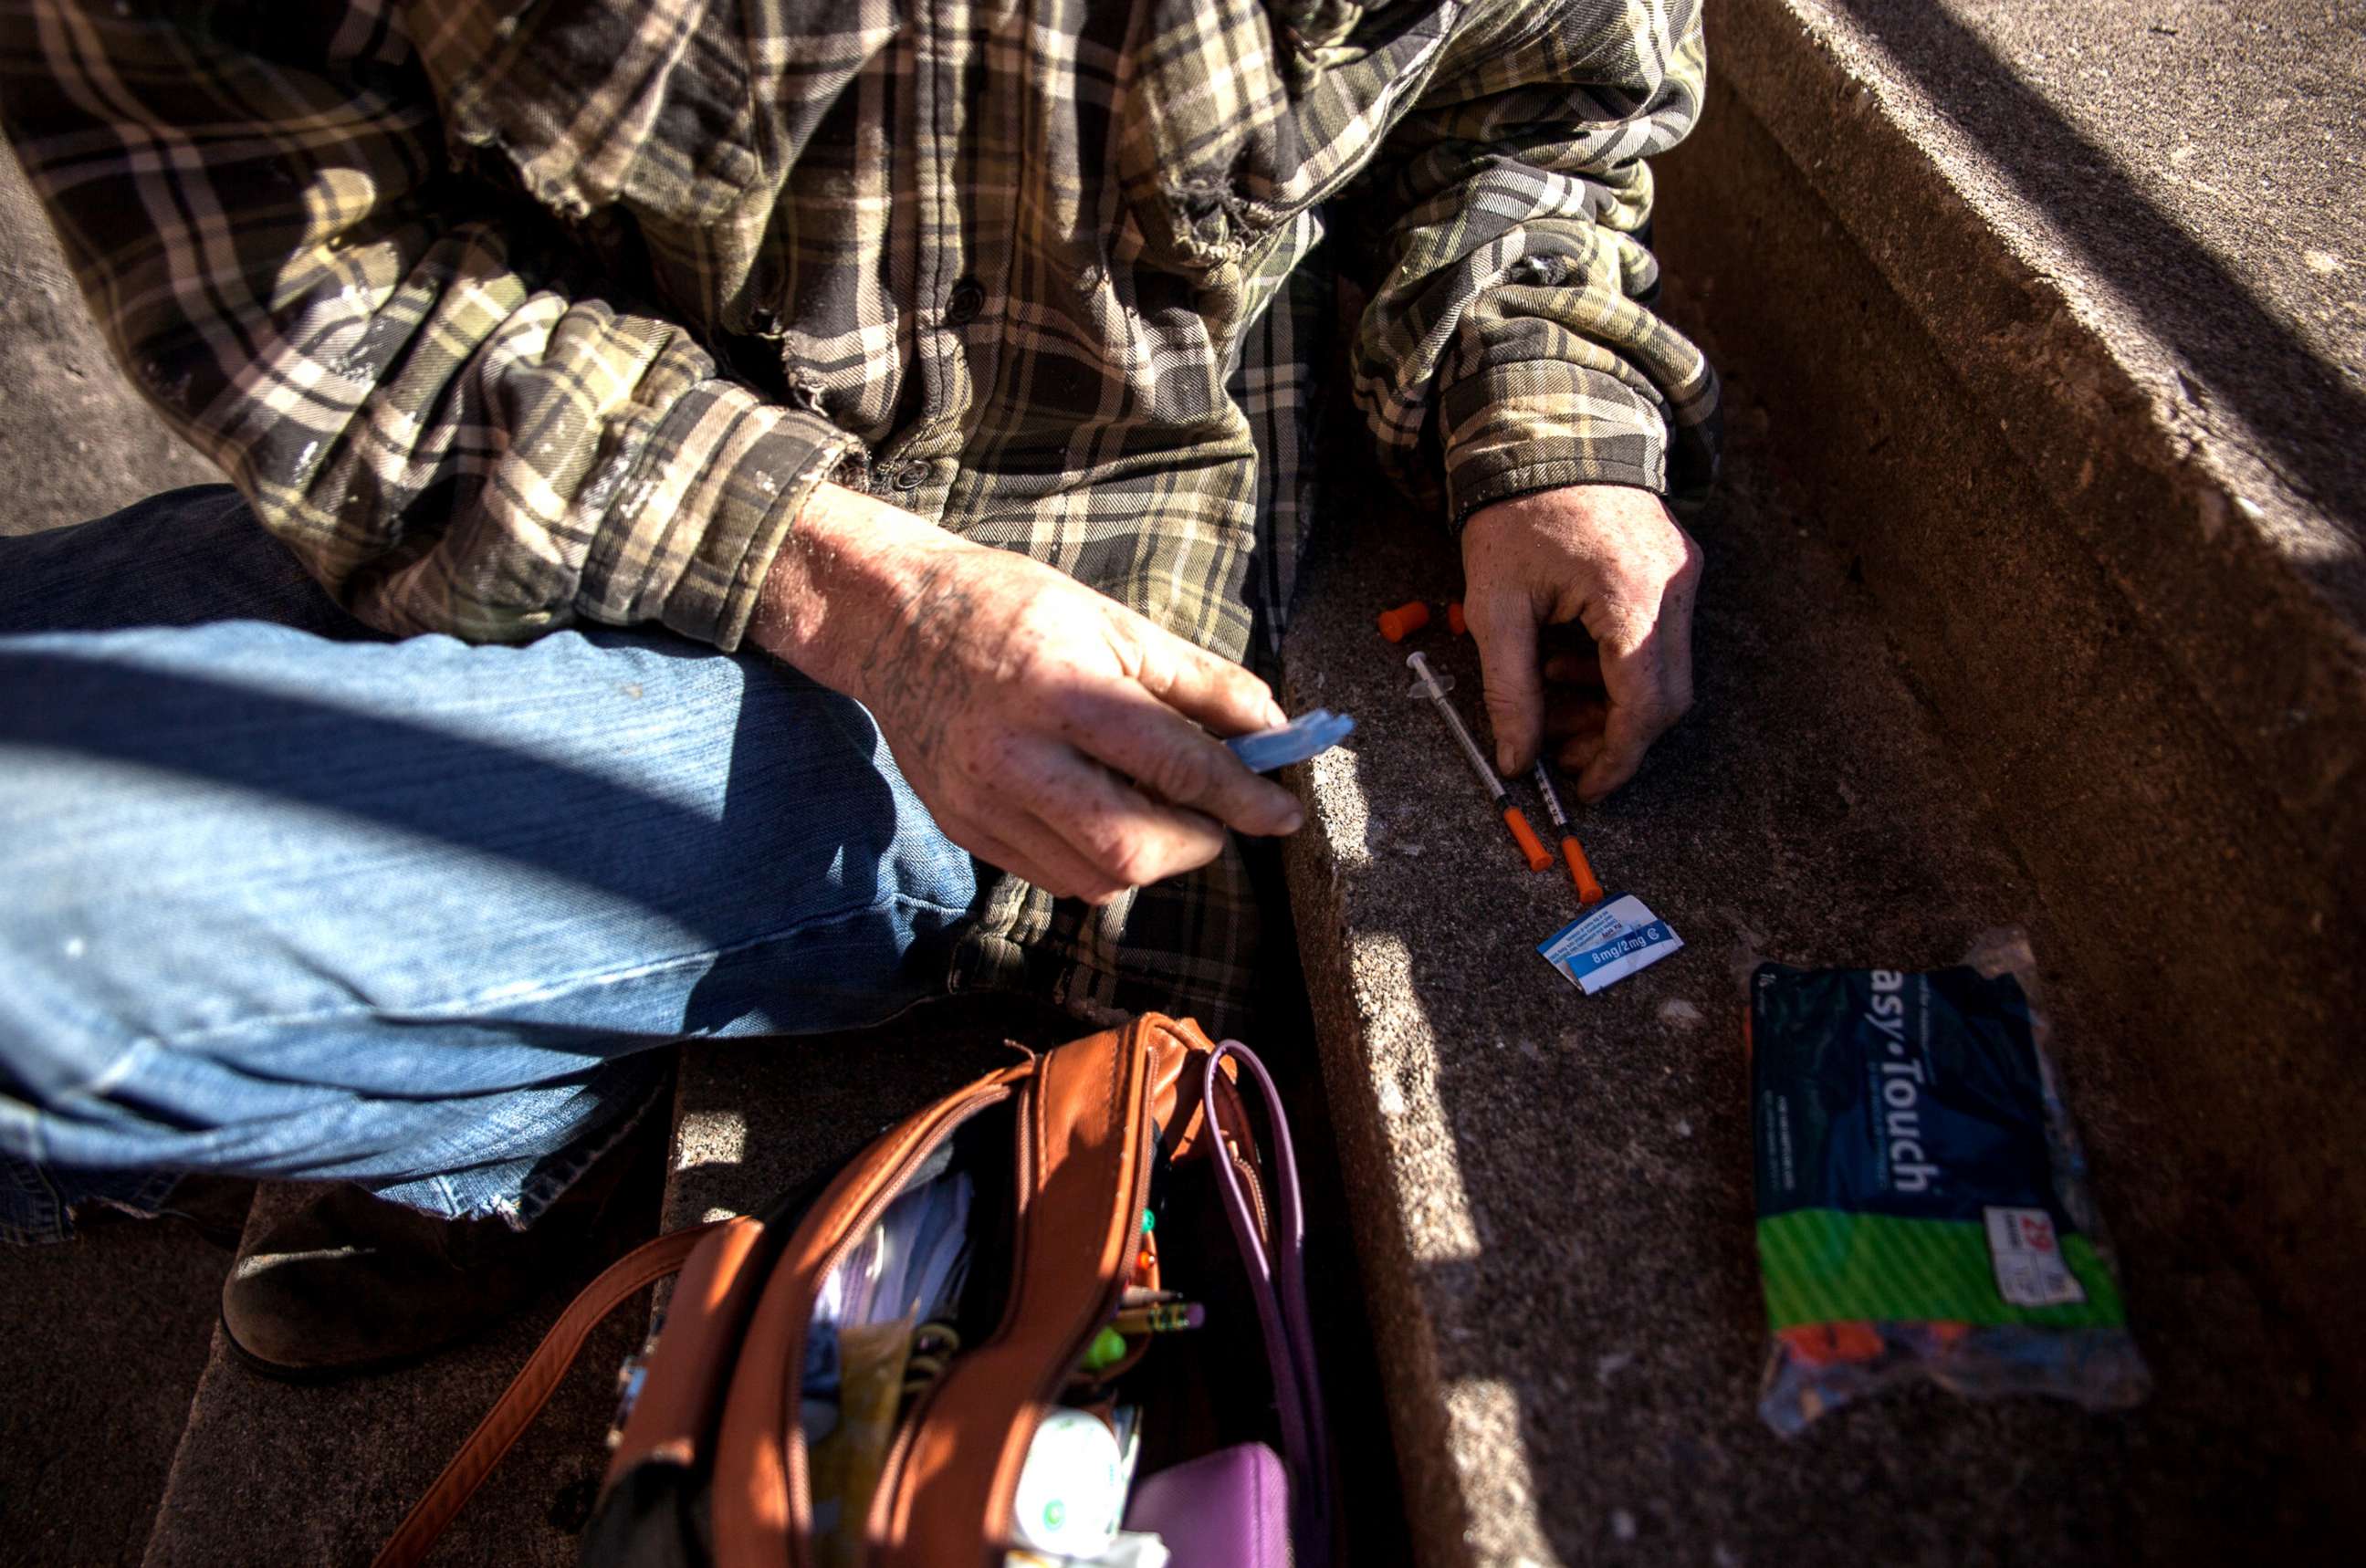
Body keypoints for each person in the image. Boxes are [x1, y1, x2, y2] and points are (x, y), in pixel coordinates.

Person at [0, 0, 1717, 1375]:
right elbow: (297, 286)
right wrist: (857, 594)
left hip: (1084, 608)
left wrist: (1543, 416)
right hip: (546, 490)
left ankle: (501, 1055)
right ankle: (518, 1063)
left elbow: (1540, 106)